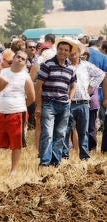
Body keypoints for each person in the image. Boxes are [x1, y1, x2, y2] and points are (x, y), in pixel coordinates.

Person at [0, 50, 35, 176]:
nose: (19, 59)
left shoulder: (25, 76)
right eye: (18, 57)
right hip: (1, 112)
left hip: (18, 113)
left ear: (25, 63)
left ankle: (13, 170)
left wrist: (21, 106)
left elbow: (32, 97)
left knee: (17, 144)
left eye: (23, 59)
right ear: (13, 58)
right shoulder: (3, 72)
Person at [36, 38, 77, 168]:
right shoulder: (48, 64)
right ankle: (45, 162)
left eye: (66, 50)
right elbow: (39, 86)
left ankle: (55, 162)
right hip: (49, 103)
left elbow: (73, 85)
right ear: (57, 50)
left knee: (60, 134)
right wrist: (38, 105)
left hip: (64, 105)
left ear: (69, 53)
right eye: (61, 49)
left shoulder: (71, 68)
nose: (63, 52)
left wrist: (70, 99)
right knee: (47, 133)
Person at [63, 42, 104, 161]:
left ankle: (84, 156)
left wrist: (91, 87)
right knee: (65, 130)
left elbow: (100, 74)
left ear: (79, 53)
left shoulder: (86, 65)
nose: (71, 56)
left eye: (73, 54)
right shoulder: (65, 66)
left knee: (83, 131)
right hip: (69, 102)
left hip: (83, 102)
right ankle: (64, 156)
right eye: (70, 54)